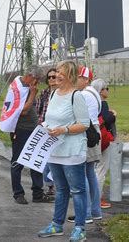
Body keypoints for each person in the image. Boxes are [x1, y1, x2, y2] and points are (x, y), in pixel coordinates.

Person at [38, 60, 90, 242]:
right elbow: (50, 119)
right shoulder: (53, 94)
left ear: (69, 75)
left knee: (77, 190)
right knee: (60, 190)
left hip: (73, 151)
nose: (55, 76)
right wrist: (44, 128)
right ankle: (56, 225)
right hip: (54, 149)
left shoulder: (76, 96)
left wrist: (64, 130)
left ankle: (80, 228)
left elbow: (85, 124)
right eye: (55, 72)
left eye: (59, 72)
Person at [8, 67, 54, 205]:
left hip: (33, 129)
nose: (38, 82)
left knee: (36, 162)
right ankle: (18, 193)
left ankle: (37, 193)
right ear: (30, 76)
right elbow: (23, 111)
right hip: (21, 129)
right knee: (18, 162)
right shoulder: (19, 89)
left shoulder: (27, 87)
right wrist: (33, 93)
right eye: (37, 79)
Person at [66, 66, 102, 224]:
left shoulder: (82, 94)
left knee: (82, 174)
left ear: (86, 79)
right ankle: (95, 210)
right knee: (91, 173)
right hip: (94, 130)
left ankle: (85, 213)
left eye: (78, 77)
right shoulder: (94, 93)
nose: (75, 80)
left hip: (85, 133)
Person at [90, 78, 115, 209]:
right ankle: (97, 198)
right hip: (104, 139)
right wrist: (113, 114)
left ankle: (93, 197)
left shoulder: (91, 102)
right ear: (101, 91)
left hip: (94, 139)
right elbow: (107, 118)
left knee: (93, 169)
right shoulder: (102, 103)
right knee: (101, 170)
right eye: (106, 88)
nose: (107, 91)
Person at [35, 68, 58, 196]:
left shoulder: (62, 94)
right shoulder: (44, 93)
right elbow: (38, 111)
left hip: (59, 131)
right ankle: (49, 185)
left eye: (54, 77)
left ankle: (60, 183)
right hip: (45, 129)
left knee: (58, 159)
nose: (51, 79)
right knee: (46, 159)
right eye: (49, 77)